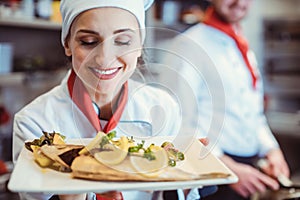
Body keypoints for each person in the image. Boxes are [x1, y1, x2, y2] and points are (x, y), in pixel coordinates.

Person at [12, 0, 210, 200]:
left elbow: (177, 192)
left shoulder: (163, 107)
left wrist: (185, 170)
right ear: (68, 44)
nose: (104, 58)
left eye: (123, 41)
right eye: (88, 41)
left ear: (140, 45)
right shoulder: (33, 122)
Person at [168, 0, 291, 199]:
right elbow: (180, 118)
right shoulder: (189, 44)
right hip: (211, 171)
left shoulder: (240, 44)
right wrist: (228, 168)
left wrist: (272, 150)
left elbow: (252, 111)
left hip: (247, 168)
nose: (240, 2)